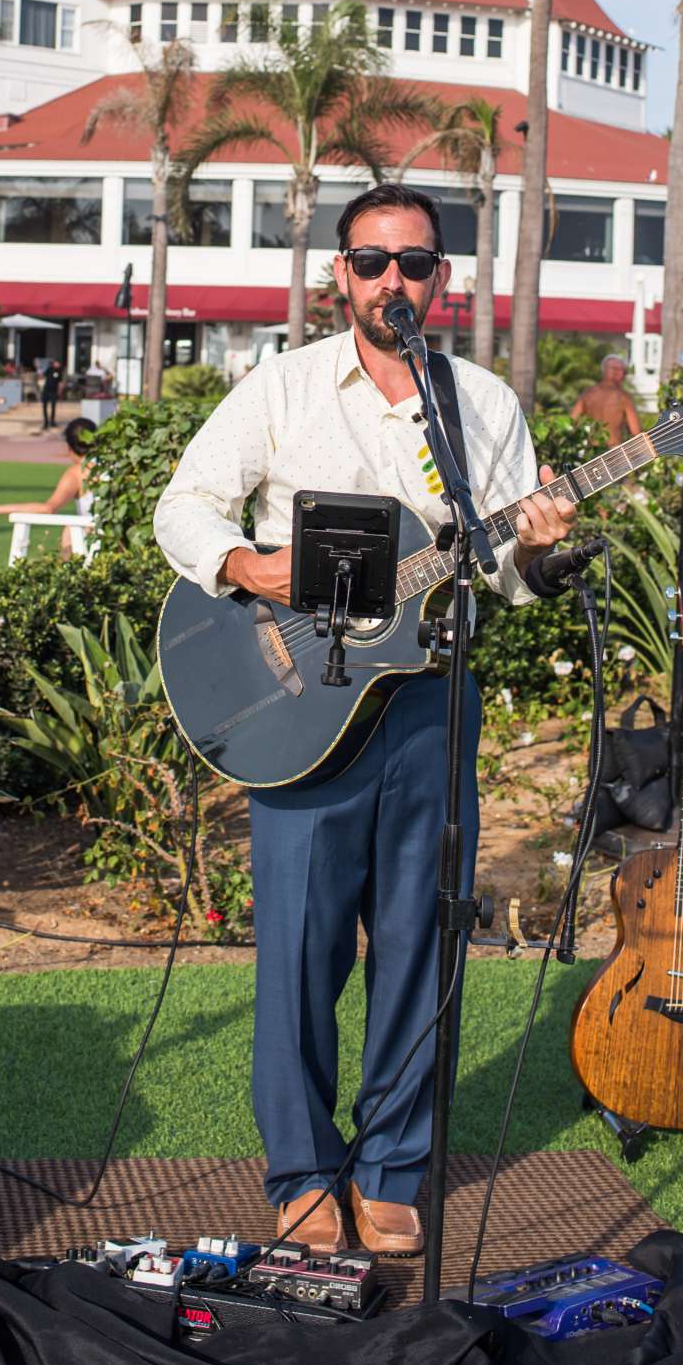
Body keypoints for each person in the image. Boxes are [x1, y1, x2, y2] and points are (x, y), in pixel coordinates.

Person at [153, 186, 579, 1260]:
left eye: (417, 263)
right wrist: (247, 565)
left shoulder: (479, 405)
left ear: (443, 279)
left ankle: (392, 1166)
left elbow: (510, 573)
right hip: (301, 702)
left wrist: (538, 545)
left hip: (432, 694)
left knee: (420, 938)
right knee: (298, 951)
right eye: (374, 260)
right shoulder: (283, 388)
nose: (396, 280)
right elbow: (184, 506)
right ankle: (301, 1168)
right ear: (340, 274)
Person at [0, 418, 96, 557]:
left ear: (69, 447)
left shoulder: (77, 473)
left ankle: (69, 574)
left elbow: (48, 508)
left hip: (97, 542)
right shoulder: (115, 466)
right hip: (118, 540)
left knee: (71, 531)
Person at [570, 353, 642, 449]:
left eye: (622, 371)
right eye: (618, 370)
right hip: (614, 453)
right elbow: (636, 432)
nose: (621, 373)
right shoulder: (623, 398)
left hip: (591, 452)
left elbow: (571, 423)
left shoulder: (588, 394)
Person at [40, 356, 62, 431]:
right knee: (44, 407)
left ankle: (52, 422)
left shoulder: (59, 371)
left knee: (53, 407)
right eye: (56, 363)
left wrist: (59, 391)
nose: (57, 364)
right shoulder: (49, 369)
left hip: (54, 391)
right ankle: (45, 422)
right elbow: (42, 376)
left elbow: (60, 382)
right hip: (46, 390)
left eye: (58, 363)